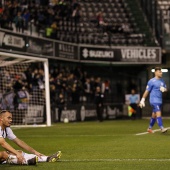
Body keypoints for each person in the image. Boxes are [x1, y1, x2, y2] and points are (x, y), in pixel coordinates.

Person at [139, 67, 168, 133]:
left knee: (154, 115)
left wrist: (164, 89)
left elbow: (166, 89)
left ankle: (149, 128)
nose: (161, 73)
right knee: (158, 113)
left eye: (161, 72)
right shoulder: (151, 81)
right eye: (160, 72)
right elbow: (147, 91)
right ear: (156, 72)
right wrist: (142, 100)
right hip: (154, 100)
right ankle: (162, 128)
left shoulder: (162, 81)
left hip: (159, 100)